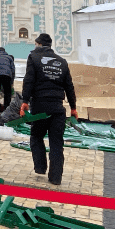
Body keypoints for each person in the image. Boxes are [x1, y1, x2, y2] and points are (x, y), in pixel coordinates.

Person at [21, 32, 78, 186]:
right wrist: (73, 107)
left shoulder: (34, 57)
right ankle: (55, 178)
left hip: (40, 106)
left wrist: (25, 101)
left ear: (38, 44)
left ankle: (40, 167)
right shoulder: (62, 61)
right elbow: (69, 87)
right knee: (56, 144)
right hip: (58, 108)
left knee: (37, 136)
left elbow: (29, 80)